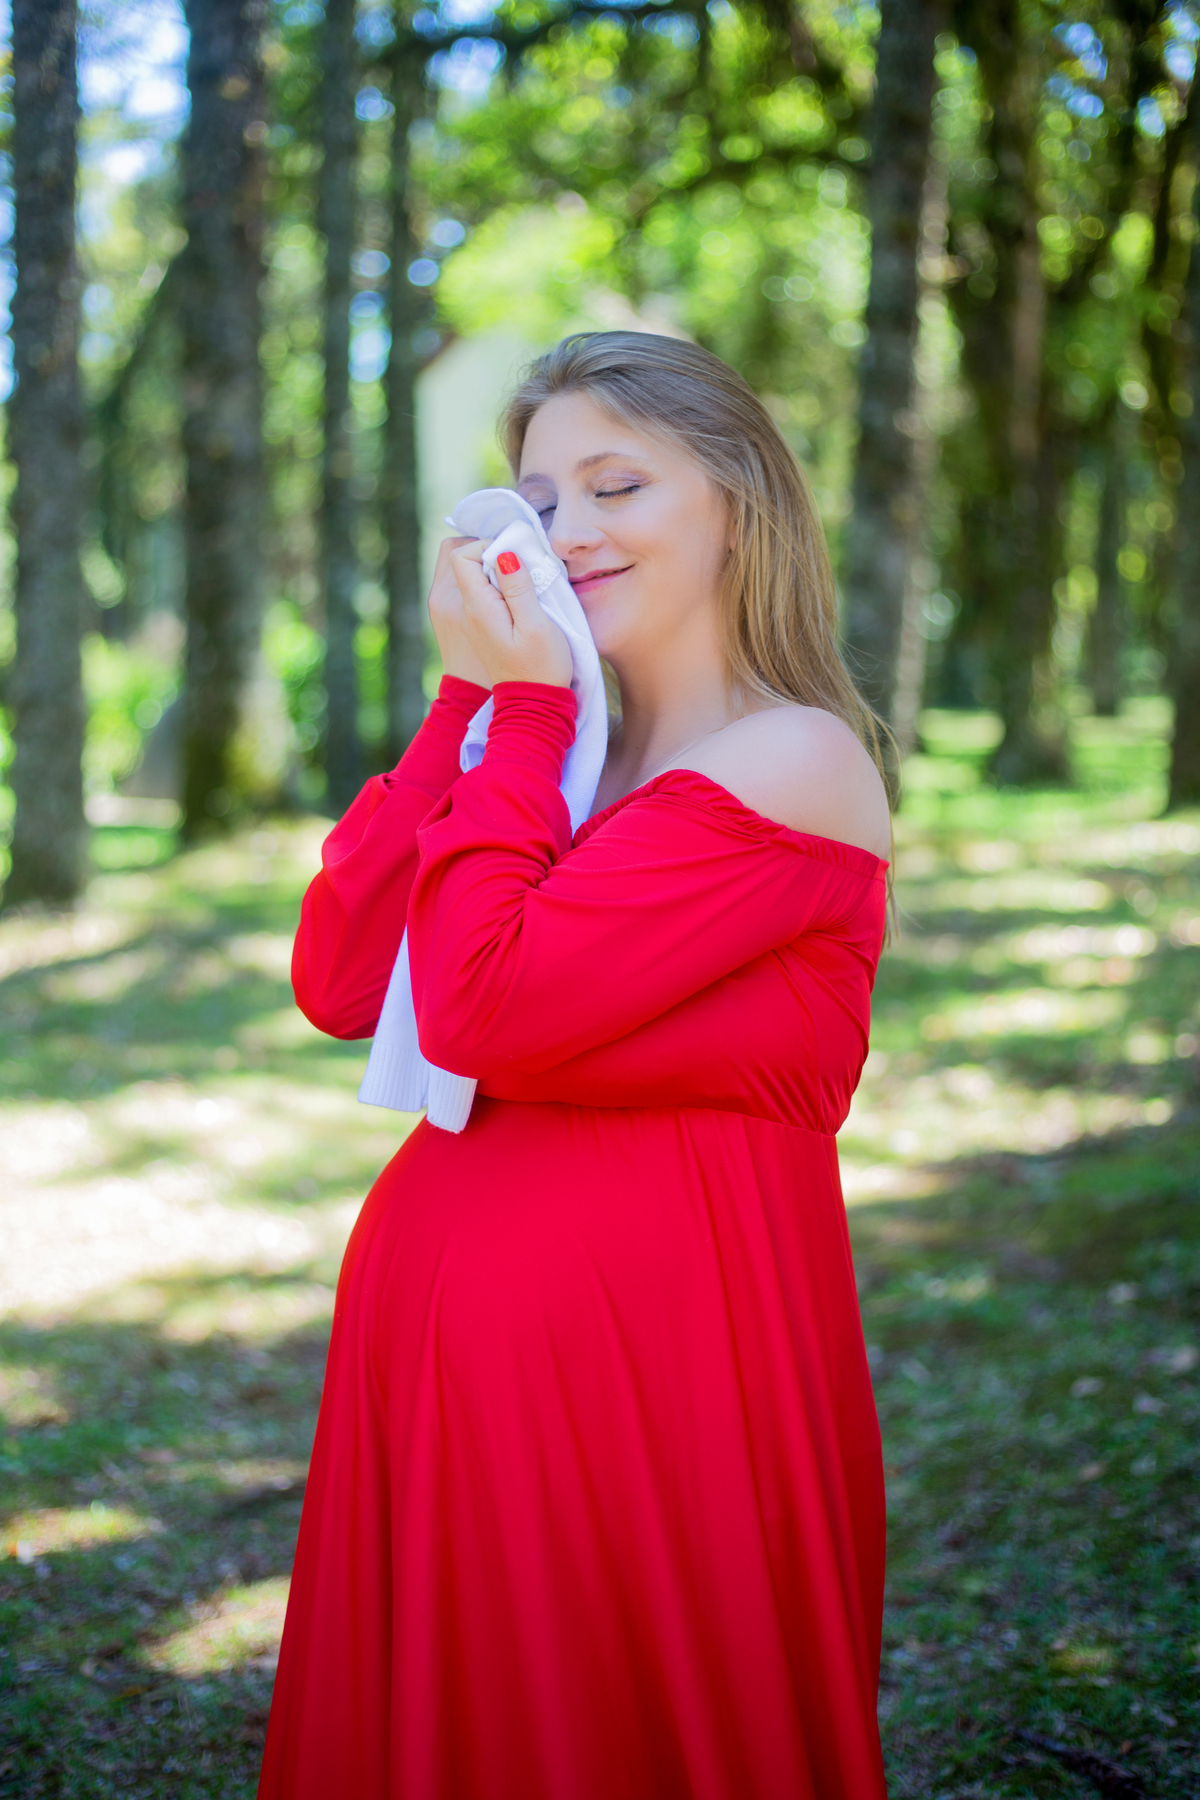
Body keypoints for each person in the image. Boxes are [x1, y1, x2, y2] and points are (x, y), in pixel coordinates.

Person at [259, 331, 893, 1800]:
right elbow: (345, 978)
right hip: (449, 1376)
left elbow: (478, 1005)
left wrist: (527, 708)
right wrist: (476, 702)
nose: (568, 533)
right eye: (536, 505)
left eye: (618, 485)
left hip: (667, 1384)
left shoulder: (789, 760)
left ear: (736, 503)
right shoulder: (556, 752)